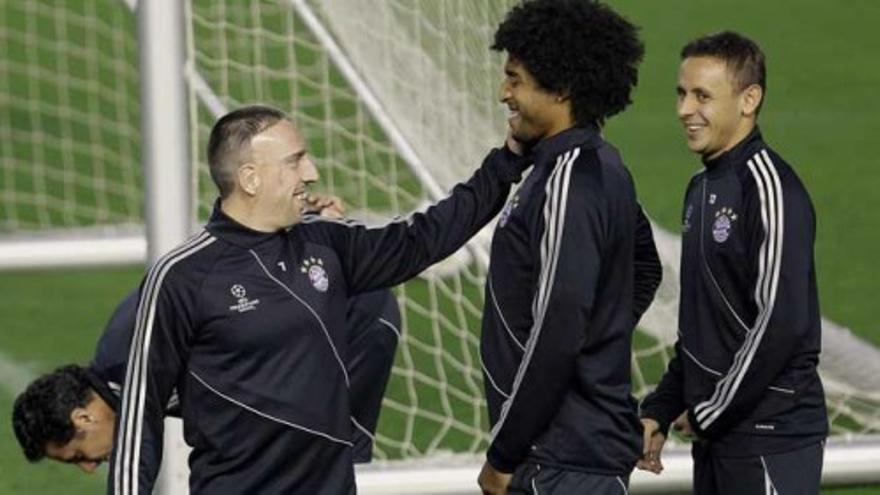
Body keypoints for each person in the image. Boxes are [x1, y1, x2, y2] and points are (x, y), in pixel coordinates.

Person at [104, 104, 528, 494]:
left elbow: (424, 238)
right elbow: (140, 413)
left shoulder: (327, 243)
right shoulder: (182, 276)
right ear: (250, 178)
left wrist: (507, 161)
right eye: (295, 161)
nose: (312, 172)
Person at [476, 1, 660, 493]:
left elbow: (557, 327)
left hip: (555, 455)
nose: (504, 93)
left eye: (515, 79)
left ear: (559, 88)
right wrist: (601, 337)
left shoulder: (568, 183)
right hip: (576, 453)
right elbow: (645, 266)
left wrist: (505, 452)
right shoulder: (602, 166)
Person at [637, 31, 827, 494]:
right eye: (682, 94)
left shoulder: (770, 189)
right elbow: (706, 324)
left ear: (749, 99)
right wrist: (662, 408)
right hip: (720, 436)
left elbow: (780, 322)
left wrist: (710, 411)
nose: (684, 109)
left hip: (771, 437)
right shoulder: (700, 190)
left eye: (702, 96)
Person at [11, 281, 400, 474]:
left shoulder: (138, 360)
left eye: (79, 455)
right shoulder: (127, 379)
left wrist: (308, 234)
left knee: (329, 471)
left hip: (346, 316)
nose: (89, 467)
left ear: (84, 418)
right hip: (319, 327)